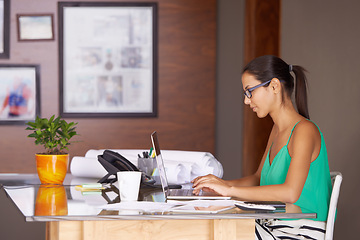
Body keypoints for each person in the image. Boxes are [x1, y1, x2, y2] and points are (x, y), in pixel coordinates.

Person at [192, 55, 332, 239]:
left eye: (250, 91)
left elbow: (290, 193)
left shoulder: (304, 131)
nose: (246, 101)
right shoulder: (277, 130)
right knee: (206, 228)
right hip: (271, 224)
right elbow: (258, 179)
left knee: (212, 232)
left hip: (299, 232)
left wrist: (230, 191)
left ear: (274, 86)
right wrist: (220, 185)